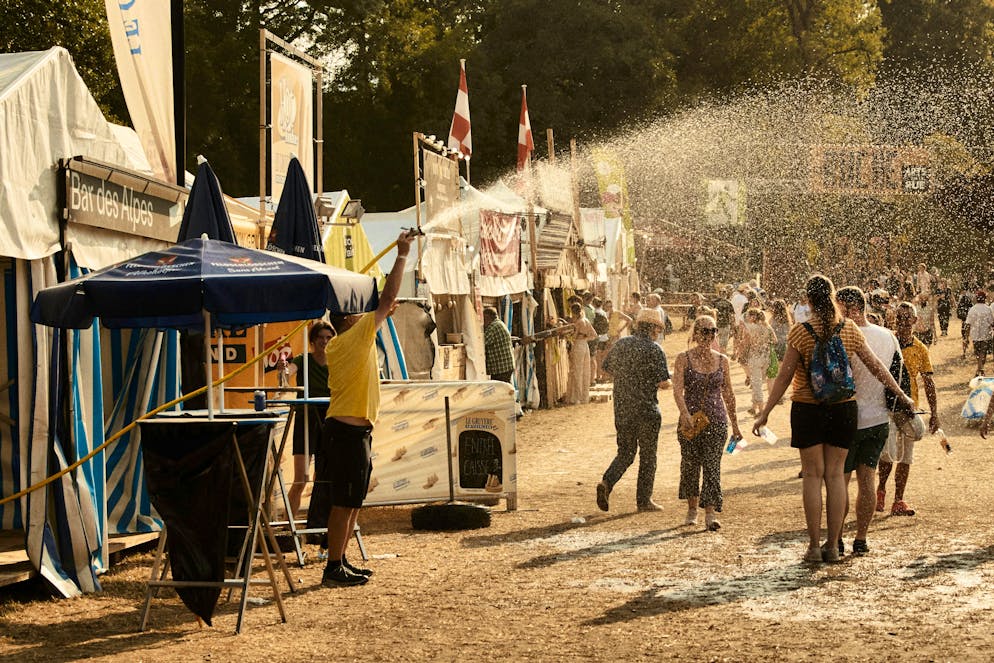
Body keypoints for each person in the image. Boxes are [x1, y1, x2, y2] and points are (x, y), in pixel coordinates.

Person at [752, 274, 912, 564]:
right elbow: (875, 365)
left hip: (807, 408)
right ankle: (833, 546)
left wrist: (765, 413)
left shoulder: (800, 331)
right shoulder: (848, 328)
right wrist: (901, 394)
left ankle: (814, 546)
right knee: (836, 476)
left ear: (809, 301)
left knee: (813, 476)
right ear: (832, 296)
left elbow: (785, 376)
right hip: (842, 408)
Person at [317, 229, 416, 587]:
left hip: (353, 429)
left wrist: (385, 308)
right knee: (344, 502)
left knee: (353, 499)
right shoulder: (351, 338)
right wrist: (402, 253)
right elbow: (386, 295)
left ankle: (341, 560)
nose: (363, 316)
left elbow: (385, 304)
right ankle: (332, 567)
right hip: (346, 431)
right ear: (349, 320)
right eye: (357, 312)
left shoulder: (346, 341)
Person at [836, 287, 901, 556]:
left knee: (840, 481)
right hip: (878, 419)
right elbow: (897, 373)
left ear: (851, 309)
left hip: (848, 417)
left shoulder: (843, 335)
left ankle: (837, 537)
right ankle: (861, 539)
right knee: (867, 480)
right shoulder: (887, 336)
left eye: (838, 307)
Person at [596, 308, 671, 512]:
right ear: (653, 328)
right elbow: (663, 382)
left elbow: (607, 369)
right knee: (648, 456)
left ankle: (607, 483)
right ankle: (644, 500)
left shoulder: (622, 343)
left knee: (626, 453)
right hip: (647, 409)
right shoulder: (655, 350)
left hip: (623, 407)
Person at [672, 315, 741, 531]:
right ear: (695, 333)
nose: (709, 335)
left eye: (713, 331)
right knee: (690, 465)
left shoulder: (722, 360)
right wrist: (685, 414)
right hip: (690, 421)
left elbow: (728, 392)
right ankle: (692, 509)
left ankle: (710, 513)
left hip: (717, 420)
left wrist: (736, 424)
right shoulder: (683, 358)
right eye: (704, 331)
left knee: (712, 466)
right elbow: (677, 389)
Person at [876, 301, 941, 517]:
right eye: (899, 318)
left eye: (907, 319)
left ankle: (898, 500)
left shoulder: (920, 349)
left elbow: (929, 382)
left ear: (915, 321)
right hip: (886, 407)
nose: (903, 323)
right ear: (895, 319)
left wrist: (935, 414)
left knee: (905, 456)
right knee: (887, 454)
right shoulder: (887, 342)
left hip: (910, 409)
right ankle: (881, 490)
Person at [278, 321, 334, 520]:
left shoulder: (337, 361)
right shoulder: (303, 359)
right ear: (312, 340)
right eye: (321, 337)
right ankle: (288, 523)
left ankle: (318, 522)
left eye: (329, 338)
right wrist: (284, 369)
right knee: (301, 478)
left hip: (328, 419)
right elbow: (289, 371)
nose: (325, 342)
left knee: (323, 477)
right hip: (306, 418)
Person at [740, 308, 775, 416]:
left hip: (755, 358)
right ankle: (753, 407)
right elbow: (775, 340)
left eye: (749, 316)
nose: (748, 318)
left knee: (757, 385)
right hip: (766, 358)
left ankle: (761, 411)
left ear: (753, 317)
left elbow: (745, 343)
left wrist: (741, 353)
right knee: (758, 383)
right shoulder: (767, 327)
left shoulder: (749, 328)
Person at [564, 302, 597, 405]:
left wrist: (570, 336)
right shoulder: (586, 320)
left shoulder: (578, 322)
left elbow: (573, 337)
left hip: (578, 345)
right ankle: (584, 396)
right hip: (585, 345)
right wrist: (586, 337)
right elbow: (594, 335)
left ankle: (577, 397)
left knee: (577, 371)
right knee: (585, 371)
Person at [965, 291, 994, 376]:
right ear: (984, 299)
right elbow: (992, 322)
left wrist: (966, 337)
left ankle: (980, 369)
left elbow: (968, 324)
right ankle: (980, 368)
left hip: (975, 335)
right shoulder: (988, 309)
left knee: (977, 352)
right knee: (983, 352)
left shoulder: (972, 309)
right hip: (985, 335)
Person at [482, 307, 515, 383]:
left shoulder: (493, 327)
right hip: (504, 366)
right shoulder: (499, 323)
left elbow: (481, 343)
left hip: (501, 368)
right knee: (503, 390)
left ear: (487, 317)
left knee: (500, 391)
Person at [713, 286, 735, 353]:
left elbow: (711, 313)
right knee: (723, 344)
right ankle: (721, 356)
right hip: (724, 324)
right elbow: (732, 316)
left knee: (716, 343)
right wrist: (733, 326)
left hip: (717, 324)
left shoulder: (714, 302)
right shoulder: (729, 303)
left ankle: (718, 356)